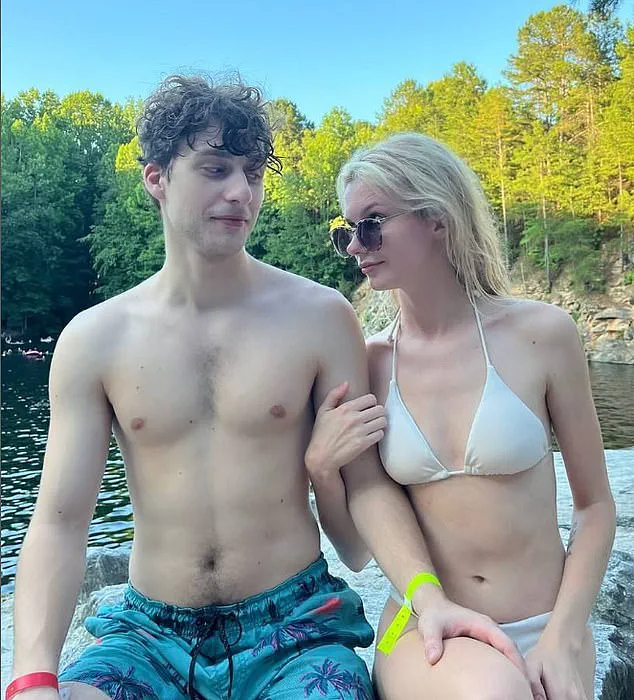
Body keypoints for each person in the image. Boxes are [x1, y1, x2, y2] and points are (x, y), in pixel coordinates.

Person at [8, 77, 522, 700]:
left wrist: (425, 595)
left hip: (294, 630)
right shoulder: (95, 339)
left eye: (251, 174)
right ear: (156, 178)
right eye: (215, 169)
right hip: (148, 635)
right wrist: (33, 677)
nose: (240, 192)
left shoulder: (321, 318)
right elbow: (60, 520)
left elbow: (365, 484)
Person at [306, 132, 616, 700]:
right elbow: (354, 548)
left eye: (371, 224)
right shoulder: (370, 363)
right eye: (344, 231)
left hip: (547, 625)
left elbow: (595, 507)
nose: (354, 246)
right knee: (493, 693)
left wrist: (564, 635)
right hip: (424, 628)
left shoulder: (542, 335)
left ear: (437, 219)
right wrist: (324, 471)